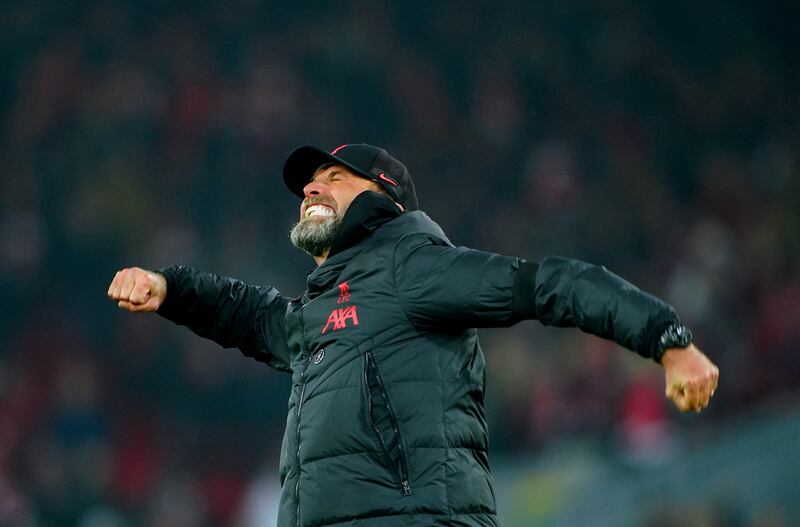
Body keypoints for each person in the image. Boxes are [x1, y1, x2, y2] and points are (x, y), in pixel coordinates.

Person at [107, 143, 719, 527]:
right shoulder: (320, 309)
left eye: (333, 178)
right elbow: (252, 316)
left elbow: (553, 284)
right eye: (306, 185)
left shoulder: (416, 266)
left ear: (386, 200)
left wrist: (668, 340)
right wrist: (172, 289)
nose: (310, 189)